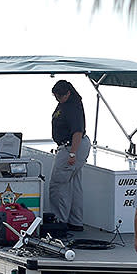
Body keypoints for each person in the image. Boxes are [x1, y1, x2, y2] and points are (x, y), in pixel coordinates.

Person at [50, 80, 90, 230]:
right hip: (73, 146)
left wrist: (72, 153)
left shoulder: (72, 107)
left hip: (71, 146)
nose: (58, 99)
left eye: (60, 96)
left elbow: (77, 132)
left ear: (68, 93)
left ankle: (60, 220)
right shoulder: (69, 104)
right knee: (73, 184)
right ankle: (75, 221)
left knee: (59, 184)